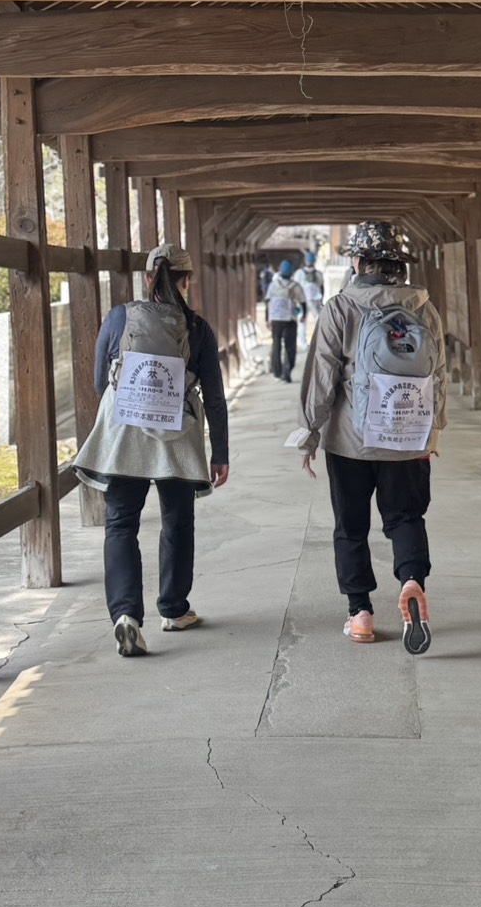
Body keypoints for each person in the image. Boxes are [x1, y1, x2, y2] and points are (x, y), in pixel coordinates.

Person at [297, 222, 446, 655]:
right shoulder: (425, 309)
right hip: (408, 437)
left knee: (351, 527)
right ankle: (412, 581)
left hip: (351, 441)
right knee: (406, 518)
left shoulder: (340, 308)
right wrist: (433, 431)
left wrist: (309, 433)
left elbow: (321, 378)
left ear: (360, 262)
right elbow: (439, 375)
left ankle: (360, 613)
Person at [74, 243, 229, 658]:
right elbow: (214, 397)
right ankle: (174, 609)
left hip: (125, 434)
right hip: (177, 436)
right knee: (177, 522)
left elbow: (99, 380)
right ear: (186, 282)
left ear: (147, 278)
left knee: (120, 524)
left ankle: (126, 615)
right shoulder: (197, 328)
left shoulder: (119, 317)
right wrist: (220, 452)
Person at [265, 259, 307, 384]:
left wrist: (267, 319)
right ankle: (286, 374)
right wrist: (303, 315)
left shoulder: (273, 285)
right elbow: (303, 302)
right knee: (290, 347)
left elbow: (267, 302)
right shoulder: (295, 286)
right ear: (292, 272)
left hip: (276, 319)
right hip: (290, 319)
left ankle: (277, 373)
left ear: (280, 270)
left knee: (276, 345)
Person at [293, 251, 325, 344]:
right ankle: (318, 342)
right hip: (315, 300)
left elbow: (295, 288)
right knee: (318, 321)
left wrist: (295, 301)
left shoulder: (299, 273)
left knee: (302, 322)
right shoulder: (318, 273)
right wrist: (321, 300)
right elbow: (322, 288)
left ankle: (304, 344)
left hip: (303, 301)